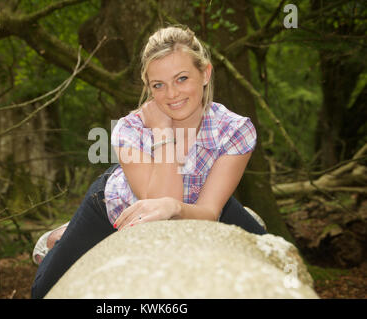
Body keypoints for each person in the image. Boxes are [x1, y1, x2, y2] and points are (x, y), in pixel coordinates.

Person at [31, 25, 267, 299]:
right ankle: (59, 237)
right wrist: (163, 133)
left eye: (181, 79)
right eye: (159, 85)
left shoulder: (235, 130)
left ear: (205, 73)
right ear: (148, 87)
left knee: (276, 266)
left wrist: (175, 206)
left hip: (200, 204)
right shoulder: (130, 129)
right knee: (43, 291)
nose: (172, 94)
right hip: (122, 208)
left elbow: (209, 211)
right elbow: (159, 208)